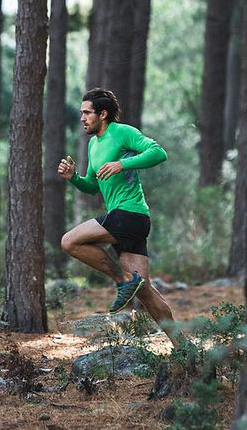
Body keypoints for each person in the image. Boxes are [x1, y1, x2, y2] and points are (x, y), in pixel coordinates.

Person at [58, 87, 178, 347]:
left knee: (69, 242)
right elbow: (92, 184)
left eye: (87, 113)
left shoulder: (122, 132)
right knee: (144, 291)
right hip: (125, 219)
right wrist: (74, 179)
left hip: (130, 214)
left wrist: (123, 163)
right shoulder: (93, 145)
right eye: (81, 113)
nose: (82, 118)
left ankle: (124, 280)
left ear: (103, 114)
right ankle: (185, 347)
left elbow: (159, 152)